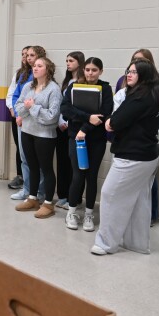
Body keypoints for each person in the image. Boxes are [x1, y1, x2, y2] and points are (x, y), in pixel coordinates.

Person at [92, 59, 159, 256]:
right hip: (147, 155)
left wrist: (110, 121)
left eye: (134, 71)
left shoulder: (140, 97)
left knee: (110, 194)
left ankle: (106, 243)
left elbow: (114, 122)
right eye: (128, 70)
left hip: (134, 157)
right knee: (138, 199)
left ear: (144, 75)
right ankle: (136, 243)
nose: (129, 74)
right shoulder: (154, 93)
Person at [61, 57, 114, 230]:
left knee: (92, 176)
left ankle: (89, 214)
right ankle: (72, 212)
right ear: (83, 70)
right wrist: (87, 118)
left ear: (101, 71)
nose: (90, 73)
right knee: (78, 176)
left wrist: (84, 128)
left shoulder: (105, 89)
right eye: (88, 69)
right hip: (75, 139)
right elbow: (65, 109)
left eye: (94, 70)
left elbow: (104, 113)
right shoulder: (74, 86)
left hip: (96, 140)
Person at [115, 48, 159, 223]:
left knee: (148, 184)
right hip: (124, 140)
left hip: (144, 143)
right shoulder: (124, 83)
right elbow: (116, 113)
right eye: (133, 62)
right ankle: (130, 216)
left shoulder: (155, 88)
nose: (133, 69)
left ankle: (151, 215)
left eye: (141, 62)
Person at [13, 57, 62, 215]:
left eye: (39, 66)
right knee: (32, 166)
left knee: (46, 169)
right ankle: (32, 198)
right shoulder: (28, 86)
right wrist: (29, 109)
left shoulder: (54, 90)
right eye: (34, 66)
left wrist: (32, 107)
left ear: (47, 70)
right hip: (27, 131)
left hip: (45, 136)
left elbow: (52, 117)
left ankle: (48, 203)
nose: (35, 68)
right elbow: (19, 107)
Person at [9, 46, 48, 203]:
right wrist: (18, 114)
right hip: (22, 122)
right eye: (27, 55)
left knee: (39, 161)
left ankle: (40, 192)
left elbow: (39, 103)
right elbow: (17, 97)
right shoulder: (24, 75)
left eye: (32, 55)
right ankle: (26, 189)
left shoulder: (45, 79)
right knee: (25, 158)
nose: (29, 58)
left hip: (37, 124)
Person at [55, 51, 85, 207]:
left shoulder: (82, 81)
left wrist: (69, 119)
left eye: (71, 60)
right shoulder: (67, 82)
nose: (68, 63)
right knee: (62, 161)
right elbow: (63, 104)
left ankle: (75, 198)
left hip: (75, 126)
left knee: (75, 165)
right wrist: (61, 119)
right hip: (62, 126)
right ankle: (63, 194)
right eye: (66, 60)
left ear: (80, 62)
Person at [6, 46, 32, 189]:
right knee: (20, 147)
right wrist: (12, 109)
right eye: (23, 54)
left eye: (28, 54)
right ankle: (21, 176)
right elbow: (12, 94)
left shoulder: (37, 75)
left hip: (28, 117)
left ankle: (31, 185)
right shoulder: (19, 74)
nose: (25, 57)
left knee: (29, 150)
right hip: (16, 115)